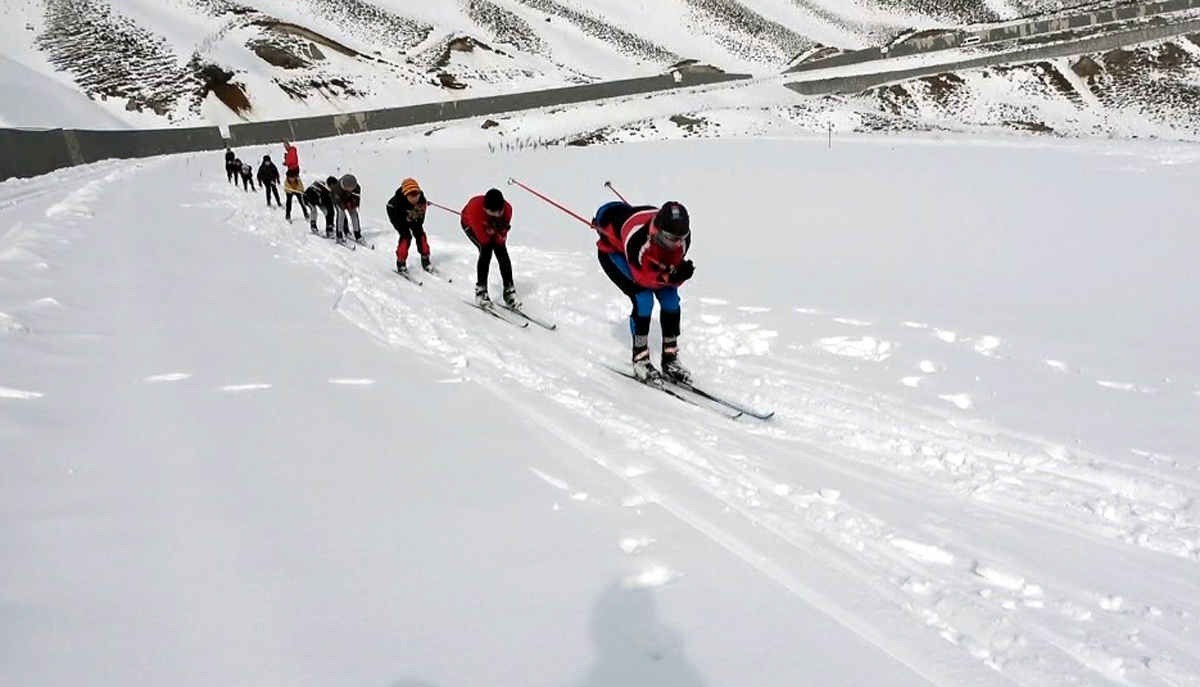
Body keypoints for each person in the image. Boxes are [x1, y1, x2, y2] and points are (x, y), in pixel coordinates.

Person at [592, 200, 695, 383]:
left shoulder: (682, 239)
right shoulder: (637, 241)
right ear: (658, 231)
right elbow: (643, 279)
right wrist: (671, 277)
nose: (678, 243)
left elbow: (670, 273)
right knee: (643, 298)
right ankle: (640, 358)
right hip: (616, 254)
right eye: (672, 237)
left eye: (682, 237)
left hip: (653, 256)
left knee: (671, 299)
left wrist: (677, 275)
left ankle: (670, 359)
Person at [461, 188, 519, 309]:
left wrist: (500, 230)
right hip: (469, 225)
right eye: (492, 212)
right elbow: (484, 240)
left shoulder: (508, 209)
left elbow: (500, 240)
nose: (497, 214)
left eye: (499, 211)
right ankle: (481, 291)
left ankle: (509, 290)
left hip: (488, 227)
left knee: (501, 251)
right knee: (486, 250)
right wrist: (490, 230)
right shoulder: (474, 209)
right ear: (485, 209)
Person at [386, 177, 432, 274]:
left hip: (413, 218)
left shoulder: (421, 201)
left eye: (417, 195)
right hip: (397, 217)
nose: (415, 199)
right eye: (412, 197)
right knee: (406, 237)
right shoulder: (396, 203)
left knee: (421, 235)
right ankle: (401, 262)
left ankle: (425, 258)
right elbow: (398, 221)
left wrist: (416, 216)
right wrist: (406, 219)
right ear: (406, 195)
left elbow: (421, 221)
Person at [330, 173, 362, 243]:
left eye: (352, 187)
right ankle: (339, 234)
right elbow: (336, 200)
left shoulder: (357, 188)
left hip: (349, 201)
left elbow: (357, 198)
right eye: (349, 187)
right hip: (339, 201)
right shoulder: (337, 188)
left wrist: (353, 205)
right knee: (341, 214)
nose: (351, 189)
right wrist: (344, 205)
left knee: (354, 214)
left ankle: (357, 234)